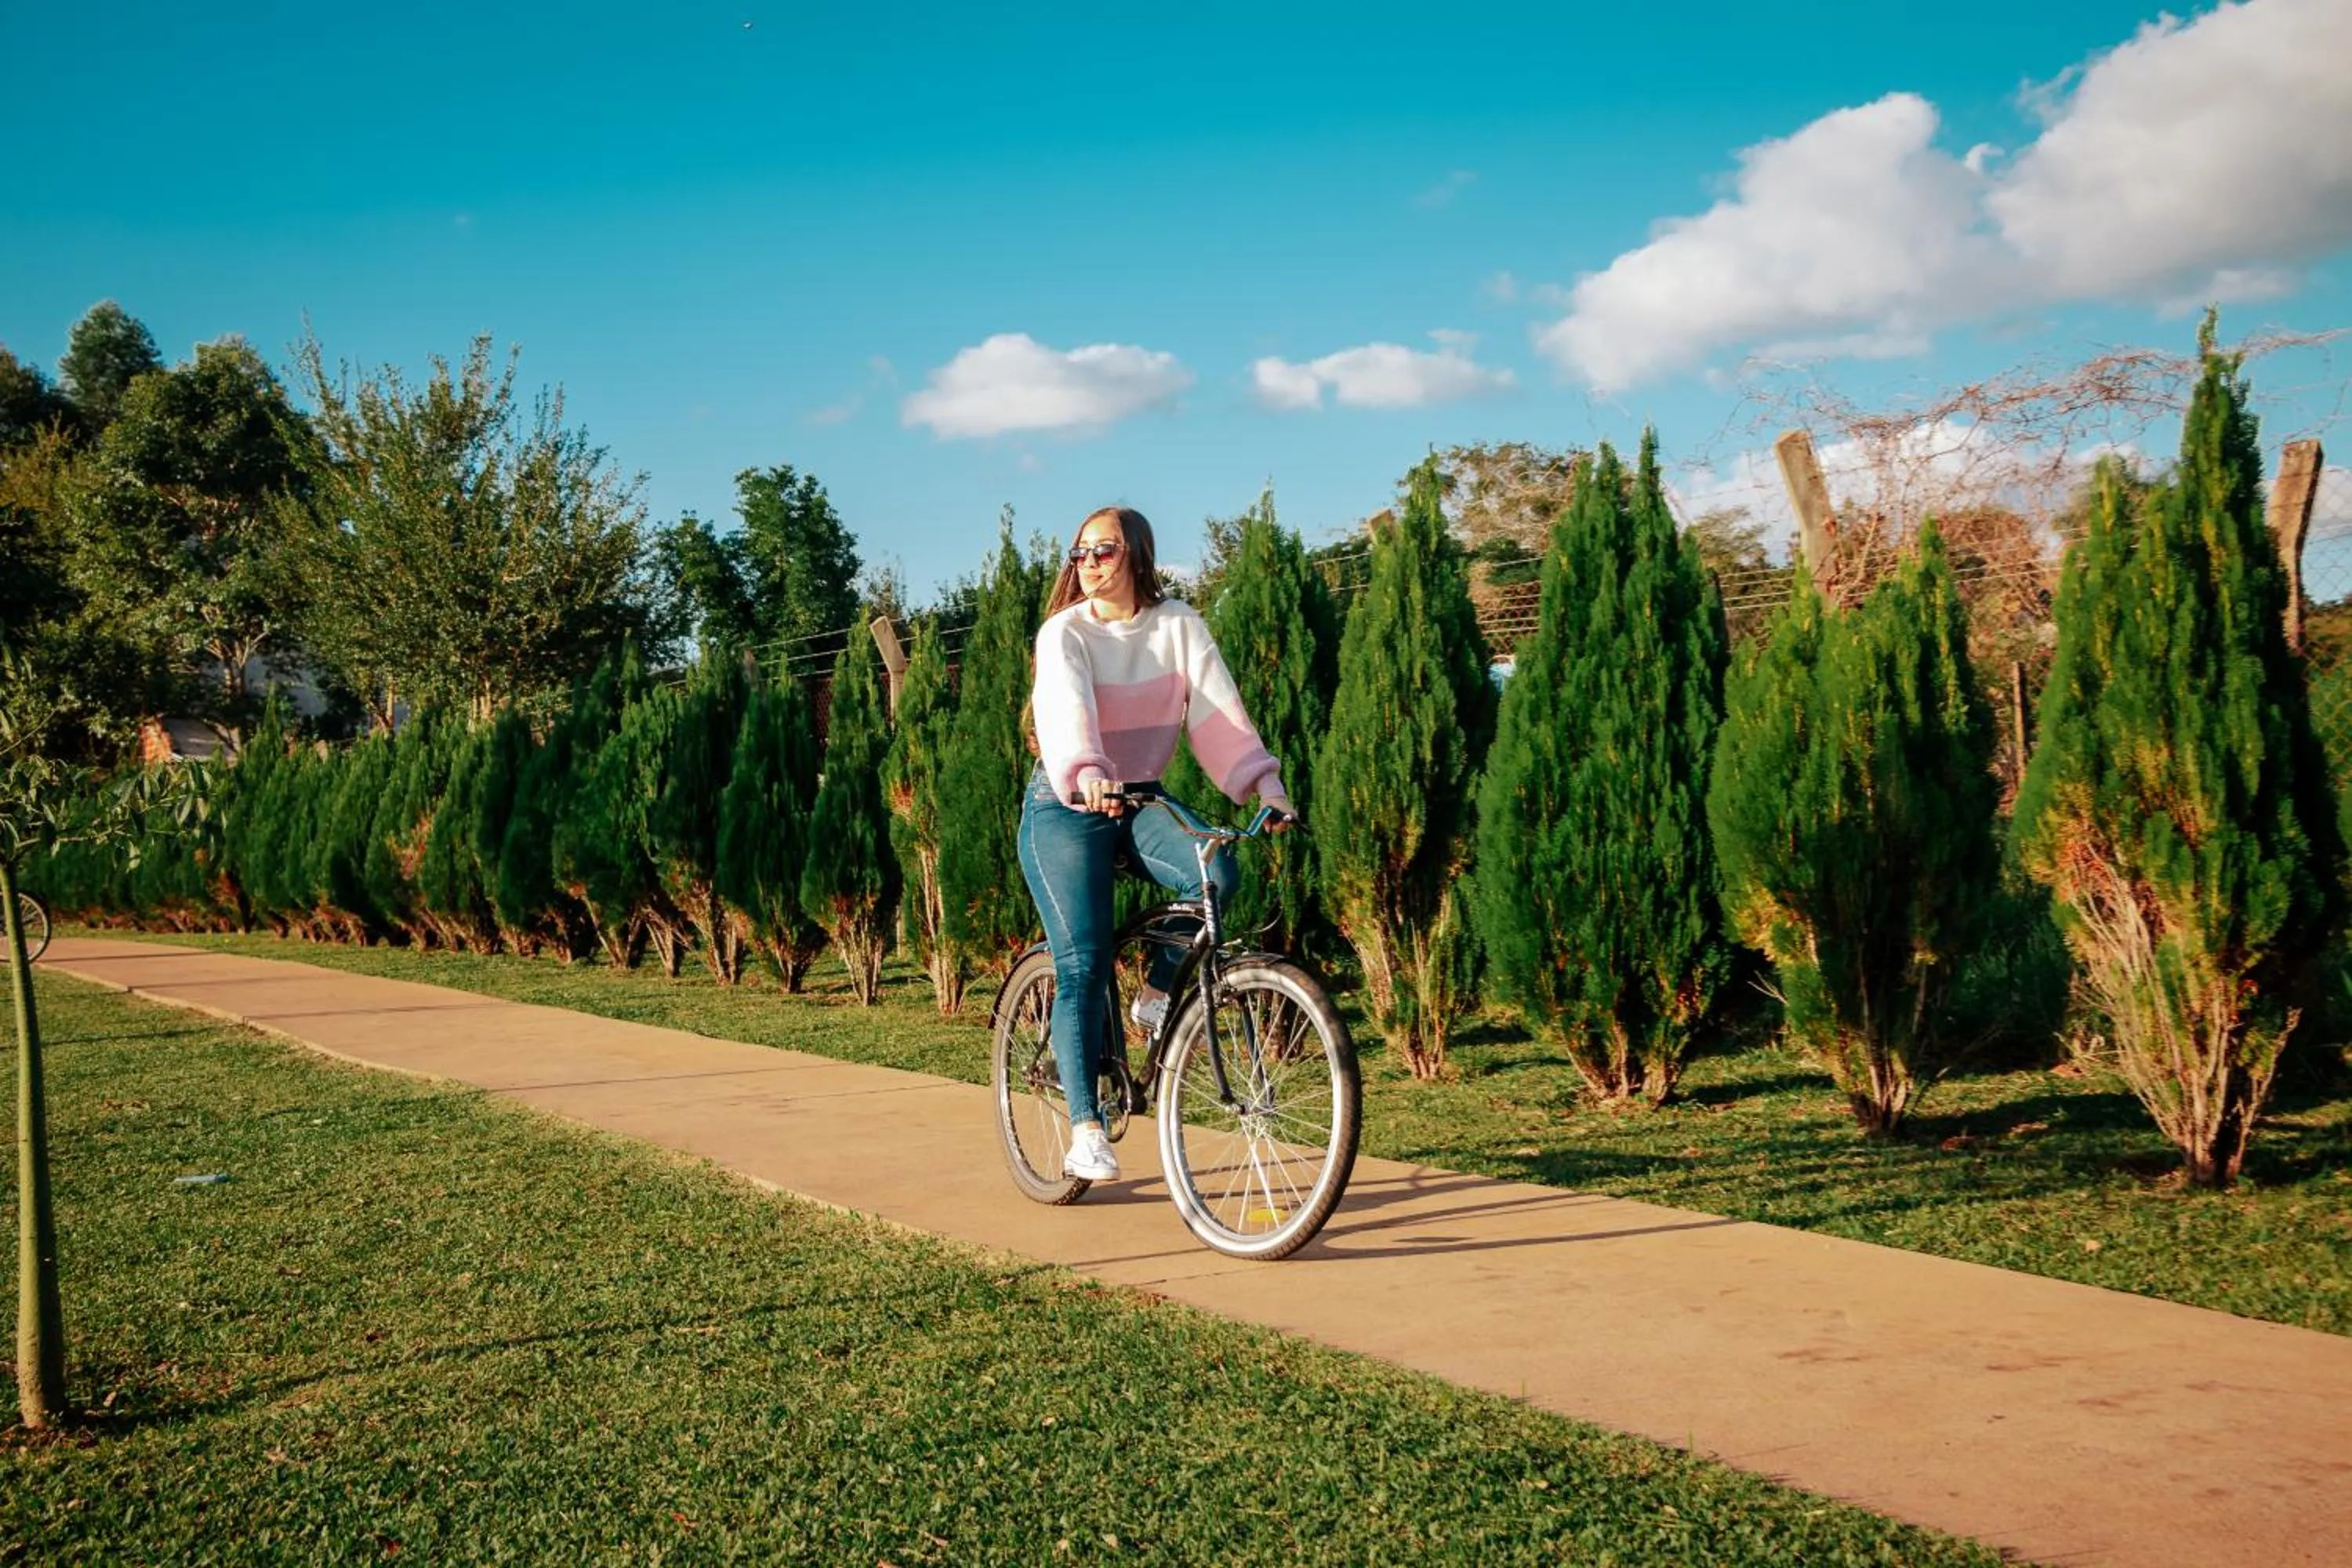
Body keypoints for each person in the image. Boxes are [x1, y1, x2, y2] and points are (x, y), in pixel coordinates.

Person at [1019, 505, 1296, 1182]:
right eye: (1079, 553)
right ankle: (1086, 1127)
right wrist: (1086, 773)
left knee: (1216, 876)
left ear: (1138, 555)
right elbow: (1065, 708)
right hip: (1064, 801)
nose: (1088, 564)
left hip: (1139, 795)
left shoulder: (1179, 626)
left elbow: (1217, 712)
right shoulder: (1065, 634)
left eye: (1104, 551)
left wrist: (1265, 787)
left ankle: (1155, 992)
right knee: (1082, 963)